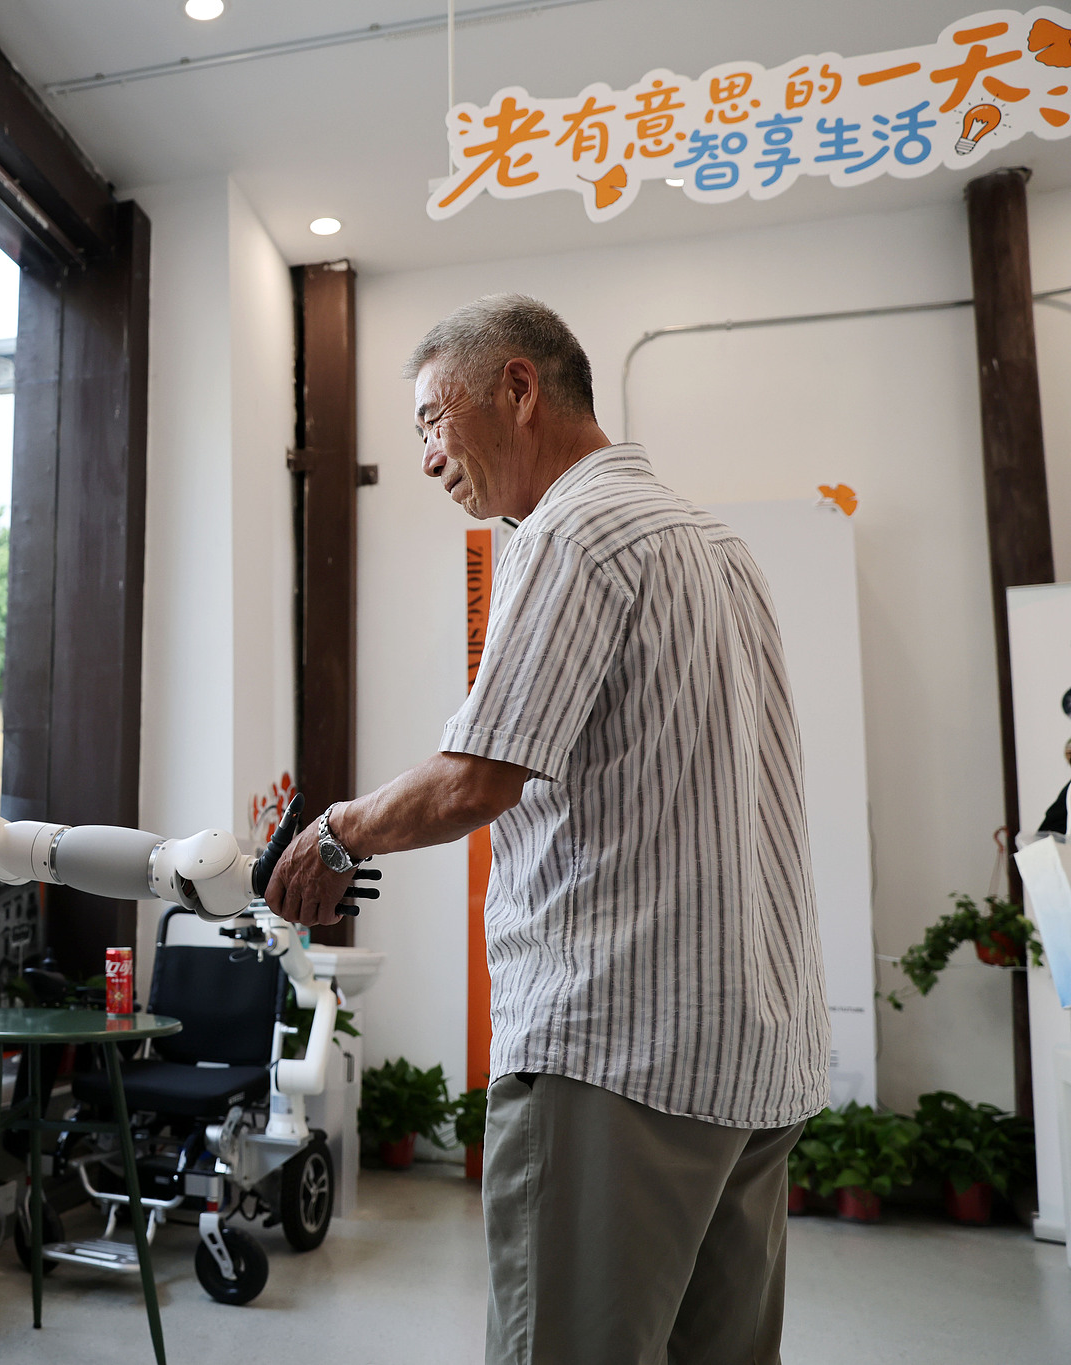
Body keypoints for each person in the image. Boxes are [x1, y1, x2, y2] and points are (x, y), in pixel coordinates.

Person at [264, 295, 828, 1365]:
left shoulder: (571, 532)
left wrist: (333, 833)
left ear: (517, 390)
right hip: (752, 1054)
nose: (428, 458)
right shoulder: (714, 544)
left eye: (433, 419)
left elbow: (474, 778)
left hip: (616, 1058)